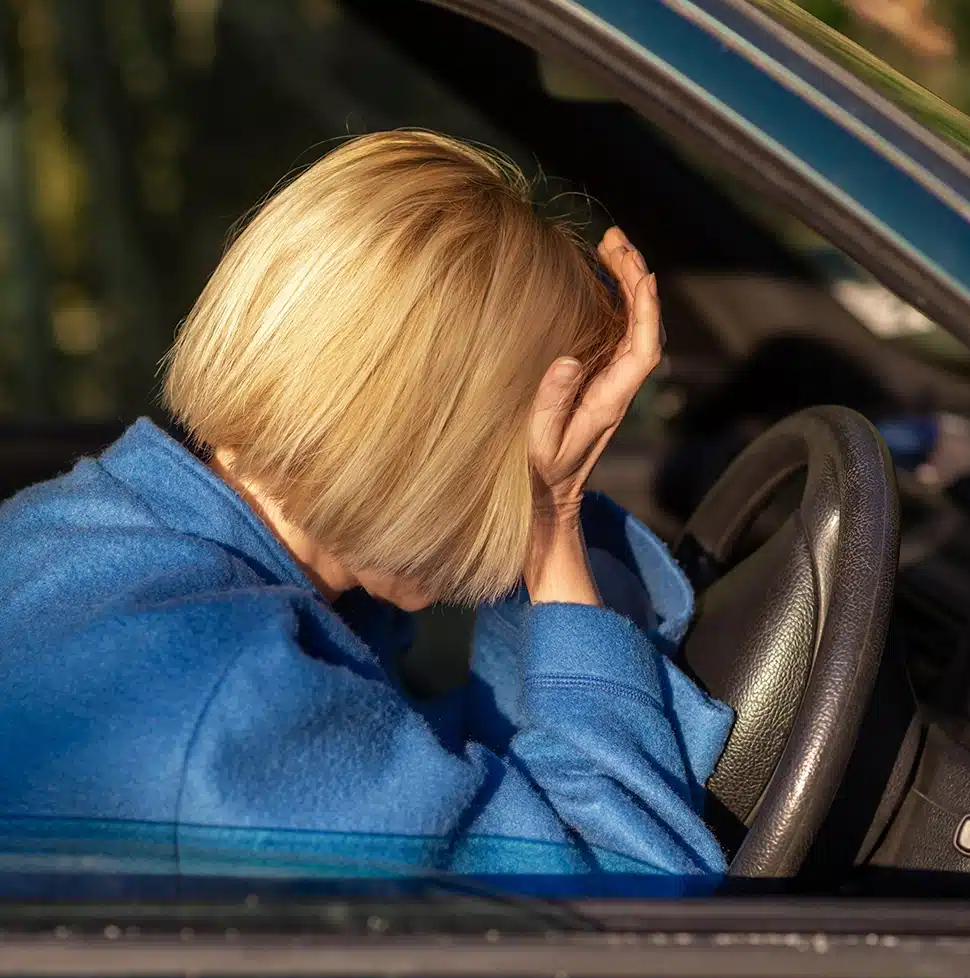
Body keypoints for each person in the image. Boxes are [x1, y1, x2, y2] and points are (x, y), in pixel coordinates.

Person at [0, 130, 733, 889]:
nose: (539, 471)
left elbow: (445, 784)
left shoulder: (66, 536)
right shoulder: (243, 709)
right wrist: (552, 523)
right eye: (532, 442)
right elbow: (632, 909)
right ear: (440, 444)